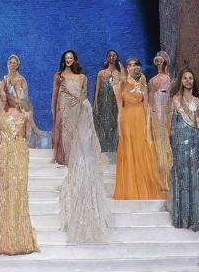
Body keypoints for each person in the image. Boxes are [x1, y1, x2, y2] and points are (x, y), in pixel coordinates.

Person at [58, 67, 110, 245]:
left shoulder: (86, 105)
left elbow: (90, 129)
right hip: (79, 150)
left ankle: (90, 216)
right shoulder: (71, 103)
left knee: (87, 177)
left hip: (86, 151)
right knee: (79, 176)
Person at [0, 89, 38, 255]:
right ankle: (4, 240)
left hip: (19, 157)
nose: (14, 97)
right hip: (5, 155)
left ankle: (20, 240)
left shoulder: (25, 114)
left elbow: (28, 136)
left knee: (18, 194)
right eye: (11, 94)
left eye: (17, 94)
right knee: (6, 193)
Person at [167, 67, 199, 232]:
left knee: (195, 175)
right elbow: (171, 124)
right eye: (185, 78)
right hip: (180, 142)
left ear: (194, 81)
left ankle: (196, 216)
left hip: (195, 143)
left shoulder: (198, 101)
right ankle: (182, 217)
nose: (188, 81)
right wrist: (171, 141)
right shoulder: (175, 100)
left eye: (190, 78)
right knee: (182, 176)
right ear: (181, 80)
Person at [112, 57, 161, 200]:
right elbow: (120, 108)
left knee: (142, 150)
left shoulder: (143, 81)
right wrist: (119, 128)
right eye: (131, 65)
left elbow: (146, 105)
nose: (133, 67)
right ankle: (131, 189)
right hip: (127, 120)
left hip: (140, 119)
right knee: (129, 151)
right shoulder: (121, 83)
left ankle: (145, 188)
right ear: (127, 67)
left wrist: (148, 127)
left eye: (136, 64)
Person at [52, 50, 89, 166]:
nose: (68, 60)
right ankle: (65, 158)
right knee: (65, 133)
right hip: (63, 109)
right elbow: (55, 95)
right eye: (66, 58)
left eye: (71, 58)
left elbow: (83, 96)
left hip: (76, 109)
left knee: (75, 132)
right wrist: (54, 110)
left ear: (75, 60)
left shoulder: (81, 77)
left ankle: (75, 157)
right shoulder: (59, 75)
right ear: (64, 60)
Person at [148, 51, 174, 191]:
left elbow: (170, 100)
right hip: (155, 115)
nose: (159, 64)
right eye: (157, 62)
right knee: (157, 143)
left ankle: (167, 178)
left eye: (161, 62)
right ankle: (159, 179)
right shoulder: (152, 81)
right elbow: (150, 98)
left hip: (165, 113)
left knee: (166, 143)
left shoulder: (169, 79)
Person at [93, 50, 122, 153]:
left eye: (114, 55)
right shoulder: (101, 73)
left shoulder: (119, 73)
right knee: (103, 124)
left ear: (116, 57)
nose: (112, 57)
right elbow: (97, 89)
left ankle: (114, 148)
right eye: (110, 55)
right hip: (103, 102)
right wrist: (95, 103)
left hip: (114, 103)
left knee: (114, 124)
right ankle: (104, 148)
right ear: (107, 58)